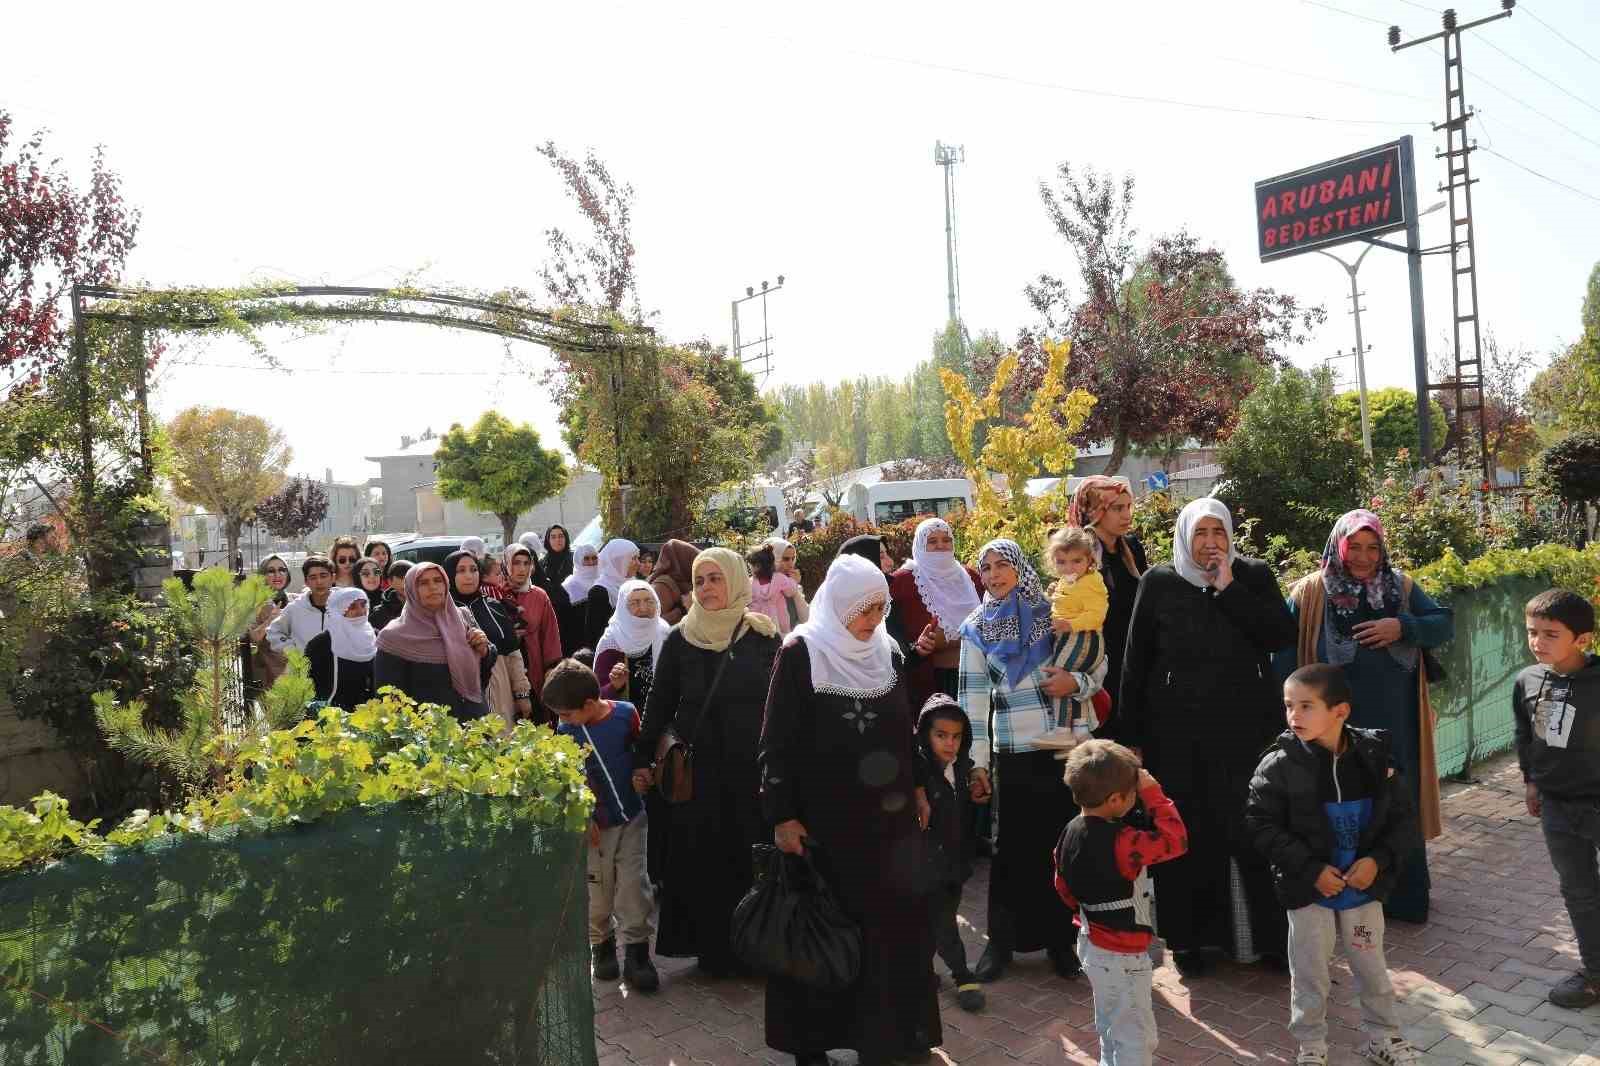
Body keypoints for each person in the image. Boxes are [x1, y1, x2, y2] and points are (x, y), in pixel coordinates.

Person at [759, 553, 942, 1066]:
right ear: (838, 605)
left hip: (890, 826)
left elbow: (905, 732)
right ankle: (811, 1045)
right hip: (826, 828)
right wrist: (781, 815)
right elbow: (777, 742)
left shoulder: (888, 652)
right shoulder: (800, 654)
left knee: (893, 933)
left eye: (882, 607)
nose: (875, 620)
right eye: (866, 609)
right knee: (824, 933)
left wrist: (922, 788)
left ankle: (890, 1038)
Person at [1110, 498, 1297, 976]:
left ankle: (1270, 940)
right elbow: (1136, 661)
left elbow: (1279, 634)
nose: (1211, 543)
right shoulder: (1160, 582)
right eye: (1201, 533)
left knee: (1253, 827)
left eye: (1219, 532)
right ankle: (1190, 942)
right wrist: (1130, 737)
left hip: (1246, 730)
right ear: (1186, 536)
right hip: (1178, 733)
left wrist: (1229, 588)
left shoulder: (1251, 575)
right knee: (1187, 835)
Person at [1245, 664, 1423, 1066]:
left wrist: (1377, 862)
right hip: (1309, 894)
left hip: (1362, 893)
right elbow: (1260, 824)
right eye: (1289, 706)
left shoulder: (1375, 757)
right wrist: (1311, 872)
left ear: (1340, 711)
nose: (1294, 716)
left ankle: (1385, 1038)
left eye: (1307, 706)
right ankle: (1311, 1045)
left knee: (1371, 966)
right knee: (1310, 974)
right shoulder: (1278, 764)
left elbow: (1403, 819)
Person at [1282, 509, 1454, 924]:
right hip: (1334, 729)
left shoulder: (1401, 587)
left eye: (1372, 547)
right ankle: (1345, 896)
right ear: (1338, 546)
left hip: (1396, 722)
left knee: (1397, 803)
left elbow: (1443, 623)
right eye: (1353, 547)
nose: (1363, 557)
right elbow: (1284, 658)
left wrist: (1403, 626)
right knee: (1341, 805)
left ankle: (1405, 897)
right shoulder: (1310, 593)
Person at [957, 538, 1106, 982]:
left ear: (1020, 567)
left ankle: (1062, 943)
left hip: (1064, 752)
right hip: (1015, 754)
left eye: (1003, 564)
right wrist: (977, 764)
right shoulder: (977, 626)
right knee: (1010, 854)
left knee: (1062, 849)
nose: (995, 574)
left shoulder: (1052, 613)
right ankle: (1000, 946)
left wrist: (1074, 682)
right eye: (986, 568)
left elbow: (1097, 665)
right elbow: (972, 700)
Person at [632, 547, 780, 977]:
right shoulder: (681, 638)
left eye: (716, 579)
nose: (707, 588)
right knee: (705, 858)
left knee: (749, 853)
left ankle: (755, 944)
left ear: (735, 580)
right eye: (699, 581)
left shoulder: (764, 634)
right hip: (700, 771)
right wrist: (643, 757)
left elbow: (782, 701)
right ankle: (713, 949)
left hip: (751, 765)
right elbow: (659, 703)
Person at [1055, 740, 1188, 1066]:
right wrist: (1155, 794)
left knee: (1111, 1029)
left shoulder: (1069, 831)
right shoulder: (1124, 842)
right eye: (1133, 793)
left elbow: (1061, 885)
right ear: (1115, 800)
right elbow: (1176, 840)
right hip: (1123, 953)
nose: (1137, 796)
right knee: (1137, 1039)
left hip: (1090, 943)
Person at [546, 659, 660, 994]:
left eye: (566, 714)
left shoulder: (626, 715)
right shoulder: (565, 732)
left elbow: (642, 753)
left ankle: (637, 953)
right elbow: (565, 780)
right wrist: (582, 817)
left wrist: (644, 773)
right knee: (598, 891)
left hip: (632, 819)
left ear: (589, 704)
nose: (561, 721)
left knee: (633, 885)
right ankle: (602, 944)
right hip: (597, 828)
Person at [1514, 589, 1600, 1009]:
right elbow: (1530, 737)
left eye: (1550, 634)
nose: (1538, 642)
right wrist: (1532, 781)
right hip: (1557, 808)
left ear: (1582, 639)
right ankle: (1596, 974)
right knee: (1579, 891)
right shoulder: (1529, 681)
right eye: (1533, 632)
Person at [916, 693, 985, 1013]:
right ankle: (961, 974)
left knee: (934, 919)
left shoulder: (963, 769)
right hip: (926, 866)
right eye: (941, 735)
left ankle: (923, 971)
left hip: (955, 864)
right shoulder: (918, 775)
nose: (949, 744)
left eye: (956, 736)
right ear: (925, 734)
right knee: (942, 921)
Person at [374, 561, 496, 721]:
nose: (433, 587)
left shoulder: (462, 619)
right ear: (411, 590)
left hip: (475, 726)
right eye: (423, 583)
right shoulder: (393, 637)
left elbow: (484, 667)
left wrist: (485, 649)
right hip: (429, 736)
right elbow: (389, 700)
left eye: (438, 581)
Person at [1069, 476, 1147, 712]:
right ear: (1094, 511)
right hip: (1100, 668)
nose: (1126, 515)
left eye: (1127, 507)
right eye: (1117, 508)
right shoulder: (1079, 556)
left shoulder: (1131, 548)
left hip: (1136, 659)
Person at [891, 517, 983, 712]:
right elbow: (891, 634)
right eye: (932, 541)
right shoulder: (903, 582)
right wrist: (916, 647)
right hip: (929, 682)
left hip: (975, 675)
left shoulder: (971, 577)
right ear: (919, 545)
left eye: (946, 540)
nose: (941, 545)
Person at [444, 549, 532, 729]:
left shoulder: (494, 606)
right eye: (461, 571)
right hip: (459, 695)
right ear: (449, 575)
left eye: (473, 569)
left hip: (499, 691)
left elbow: (512, 653)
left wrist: (522, 694)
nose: (469, 576)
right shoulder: (442, 613)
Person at [1043, 525, 1110, 742]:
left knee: (1059, 676)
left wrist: (1070, 625)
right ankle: (1081, 729)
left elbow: (1097, 615)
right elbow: (1064, 603)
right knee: (1070, 681)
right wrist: (1053, 595)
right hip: (1072, 637)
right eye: (1061, 562)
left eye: (1076, 561)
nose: (1069, 568)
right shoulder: (1070, 581)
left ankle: (1062, 730)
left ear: (1089, 560)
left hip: (1084, 637)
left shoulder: (1090, 582)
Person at [503, 543, 563, 723]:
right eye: (516, 563)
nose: (521, 569)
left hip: (534, 668)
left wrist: (550, 669)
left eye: (526, 563)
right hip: (505, 668)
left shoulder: (539, 596)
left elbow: (550, 635)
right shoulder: (496, 593)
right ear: (506, 564)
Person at [595, 580, 671, 712]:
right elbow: (596, 696)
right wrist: (614, 686)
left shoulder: (664, 632)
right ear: (623, 608)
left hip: (662, 717)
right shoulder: (612, 641)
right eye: (634, 603)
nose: (643, 608)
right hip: (625, 721)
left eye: (649, 601)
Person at [305, 587, 379, 711]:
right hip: (333, 715)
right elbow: (311, 685)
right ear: (338, 611)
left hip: (370, 713)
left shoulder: (376, 637)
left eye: (363, 605)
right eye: (352, 607)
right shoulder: (321, 643)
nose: (361, 611)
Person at [267, 555, 337, 654]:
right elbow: (273, 632)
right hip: (304, 668)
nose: (319, 581)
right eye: (313, 577)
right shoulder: (295, 608)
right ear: (306, 581)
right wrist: (291, 651)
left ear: (333, 578)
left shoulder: (344, 606)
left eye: (323, 576)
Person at [582, 540, 640, 653]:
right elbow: (596, 636)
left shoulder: (635, 584)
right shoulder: (599, 592)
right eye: (633, 558)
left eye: (638, 558)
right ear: (618, 561)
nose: (638, 563)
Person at [248, 555, 294, 693]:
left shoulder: (294, 599)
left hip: (298, 671)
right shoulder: (255, 603)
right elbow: (253, 637)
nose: (277, 575)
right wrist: (270, 620)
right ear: (263, 575)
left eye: (282, 570)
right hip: (272, 675)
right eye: (271, 571)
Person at [747, 543, 802, 635]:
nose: (750, 568)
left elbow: (746, 600)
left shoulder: (751, 582)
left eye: (750, 565)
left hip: (758, 622)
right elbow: (790, 591)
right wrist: (794, 580)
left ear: (757, 566)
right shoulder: (779, 578)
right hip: (779, 619)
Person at [559, 543, 602, 655]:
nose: (591, 562)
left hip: (600, 641)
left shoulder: (604, 582)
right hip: (576, 643)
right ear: (578, 561)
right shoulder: (569, 586)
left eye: (594, 558)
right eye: (586, 559)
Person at [649, 539, 698, 626]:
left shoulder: (686, 582)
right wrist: (682, 609)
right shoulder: (663, 585)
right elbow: (651, 622)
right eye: (691, 559)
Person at [767, 536, 811, 630]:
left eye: (793, 558)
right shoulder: (761, 585)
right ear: (773, 558)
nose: (791, 564)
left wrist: (794, 589)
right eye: (786, 559)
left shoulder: (790, 581)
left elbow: (806, 619)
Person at [370, 560, 411, 632]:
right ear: (390, 581)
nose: (406, 582)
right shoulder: (379, 614)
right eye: (401, 577)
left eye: (410, 577)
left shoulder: (425, 606)